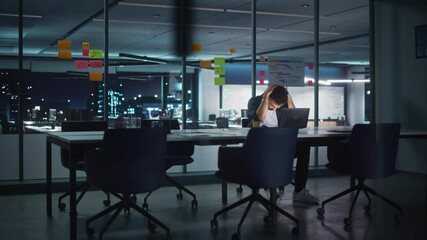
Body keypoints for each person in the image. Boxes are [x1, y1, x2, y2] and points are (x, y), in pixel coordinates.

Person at [247, 84, 319, 204]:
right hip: (263, 145)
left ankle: (299, 191)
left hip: (281, 144)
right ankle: (269, 188)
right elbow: (259, 116)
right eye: (272, 106)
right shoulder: (255, 101)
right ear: (268, 96)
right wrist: (265, 99)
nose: (275, 109)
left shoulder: (283, 103)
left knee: (304, 147)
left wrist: (289, 99)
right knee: (265, 152)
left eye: (278, 107)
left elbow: (294, 119)